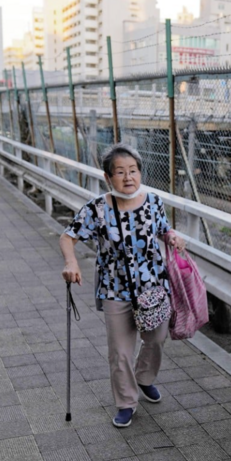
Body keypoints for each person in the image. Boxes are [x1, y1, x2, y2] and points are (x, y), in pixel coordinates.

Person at [59, 143, 186, 428]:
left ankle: (144, 377)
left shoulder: (153, 202)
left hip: (153, 287)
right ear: (108, 177)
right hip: (115, 289)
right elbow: (68, 237)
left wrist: (173, 237)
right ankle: (126, 401)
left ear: (140, 173)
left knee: (155, 339)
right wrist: (71, 263)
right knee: (120, 350)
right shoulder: (97, 209)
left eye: (133, 171)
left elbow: (164, 230)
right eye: (120, 172)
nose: (128, 177)